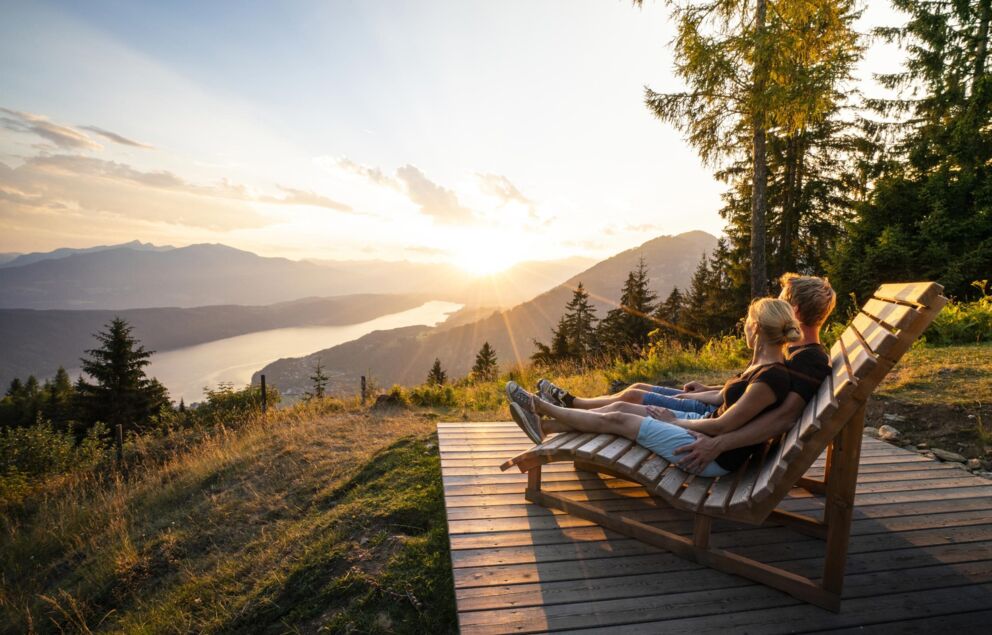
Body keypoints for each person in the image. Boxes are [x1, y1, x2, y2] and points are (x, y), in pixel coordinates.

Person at [506, 297, 804, 477]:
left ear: (755, 328)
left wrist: (673, 420)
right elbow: (724, 407)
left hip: (708, 453)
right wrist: (690, 402)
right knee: (621, 406)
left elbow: (725, 424)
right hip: (702, 430)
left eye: (746, 323)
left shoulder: (771, 378)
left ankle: (539, 405)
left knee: (619, 419)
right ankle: (546, 427)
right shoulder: (761, 367)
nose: (744, 328)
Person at [673, 273, 836, 473]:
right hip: (724, 421)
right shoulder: (795, 351)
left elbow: (784, 418)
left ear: (794, 311)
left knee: (632, 406)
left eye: (781, 301)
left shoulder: (810, 360)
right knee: (638, 397)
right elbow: (758, 391)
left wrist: (719, 444)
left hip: (725, 446)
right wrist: (713, 389)